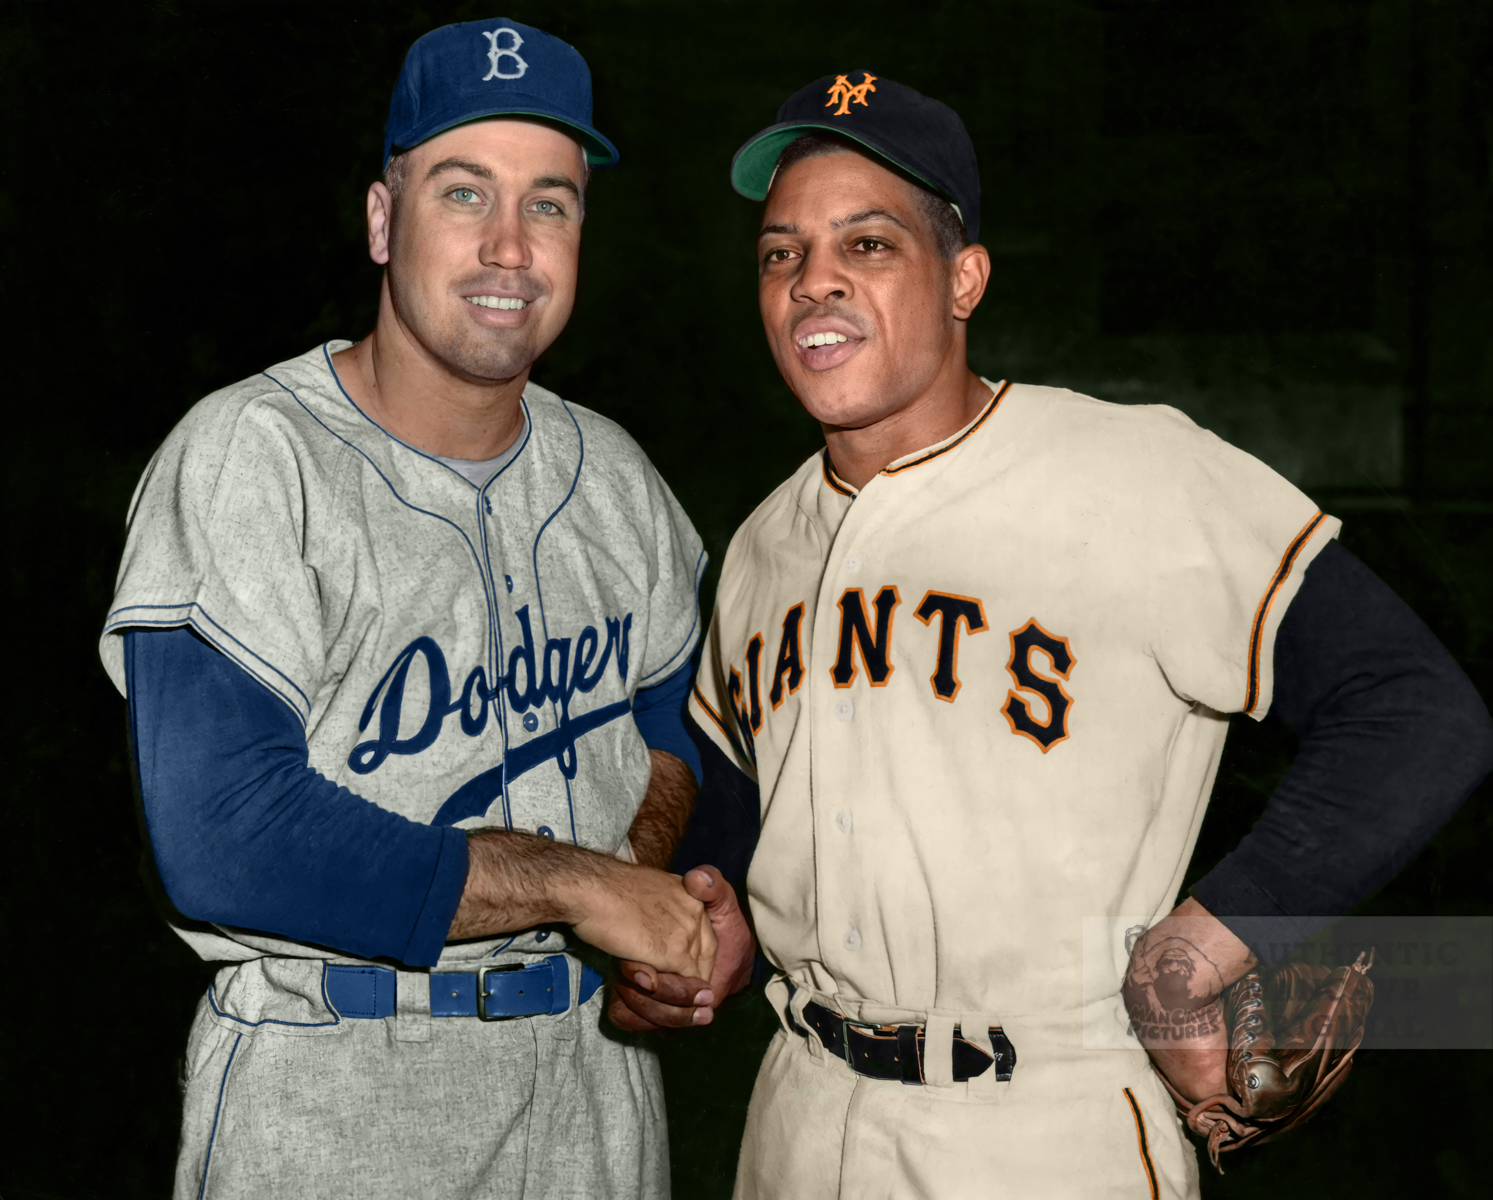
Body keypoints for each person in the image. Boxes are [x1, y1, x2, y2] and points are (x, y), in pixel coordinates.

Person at [644, 72, 1493, 1197]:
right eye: (780, 253)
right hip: (799, 1118)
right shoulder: (760, 544)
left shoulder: (1133, 471)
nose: (814, 283)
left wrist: (1204, 942)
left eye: (869, 244)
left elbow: (1416, 710)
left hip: (1044, 1120)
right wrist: (709, 902)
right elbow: (742, 800)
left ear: (963, 278)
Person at [99, 18, 730, 1199]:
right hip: (333, 1090)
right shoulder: (251, 455)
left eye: (549, 203)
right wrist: (584, 885)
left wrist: (651, 900)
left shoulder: (617, 475)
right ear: (383, 221)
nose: (509, 246)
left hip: (594, 1094)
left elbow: (669, 737)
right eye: (462, 193)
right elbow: (220, 839)